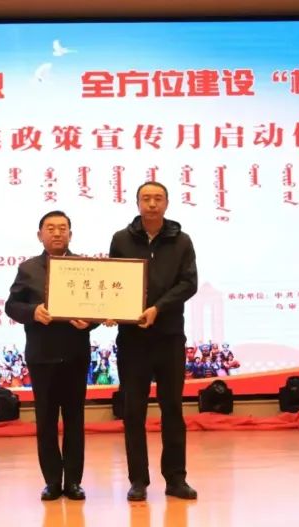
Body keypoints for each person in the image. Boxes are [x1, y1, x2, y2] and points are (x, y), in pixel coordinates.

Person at [105, 181, 199, 501]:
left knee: (172, 408)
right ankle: (138, 481)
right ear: (137, 203)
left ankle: (176, 478)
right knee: (133, 411)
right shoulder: (121, 239)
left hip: (169, 336)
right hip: (132, 339)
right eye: (146, 198)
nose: (152, 204)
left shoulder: (181, 240)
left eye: (158, 198)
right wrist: (110, 310)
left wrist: (158, 308)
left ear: (167, 203)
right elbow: (114, 283)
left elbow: (189, 283)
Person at [5, 210, 96, 501]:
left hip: (75, 355)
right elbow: (11, 306)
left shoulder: (85, 267)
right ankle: (53, 482)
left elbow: (98, 306)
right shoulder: (28, 269)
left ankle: (74, 482)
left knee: (74, 420)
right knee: (45, 421)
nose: (57, 233)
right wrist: (33, 312)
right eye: (51, 228)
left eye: (63, 228)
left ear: (71, 233)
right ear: (40, 235)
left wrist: (90, 321)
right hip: (42, 356)